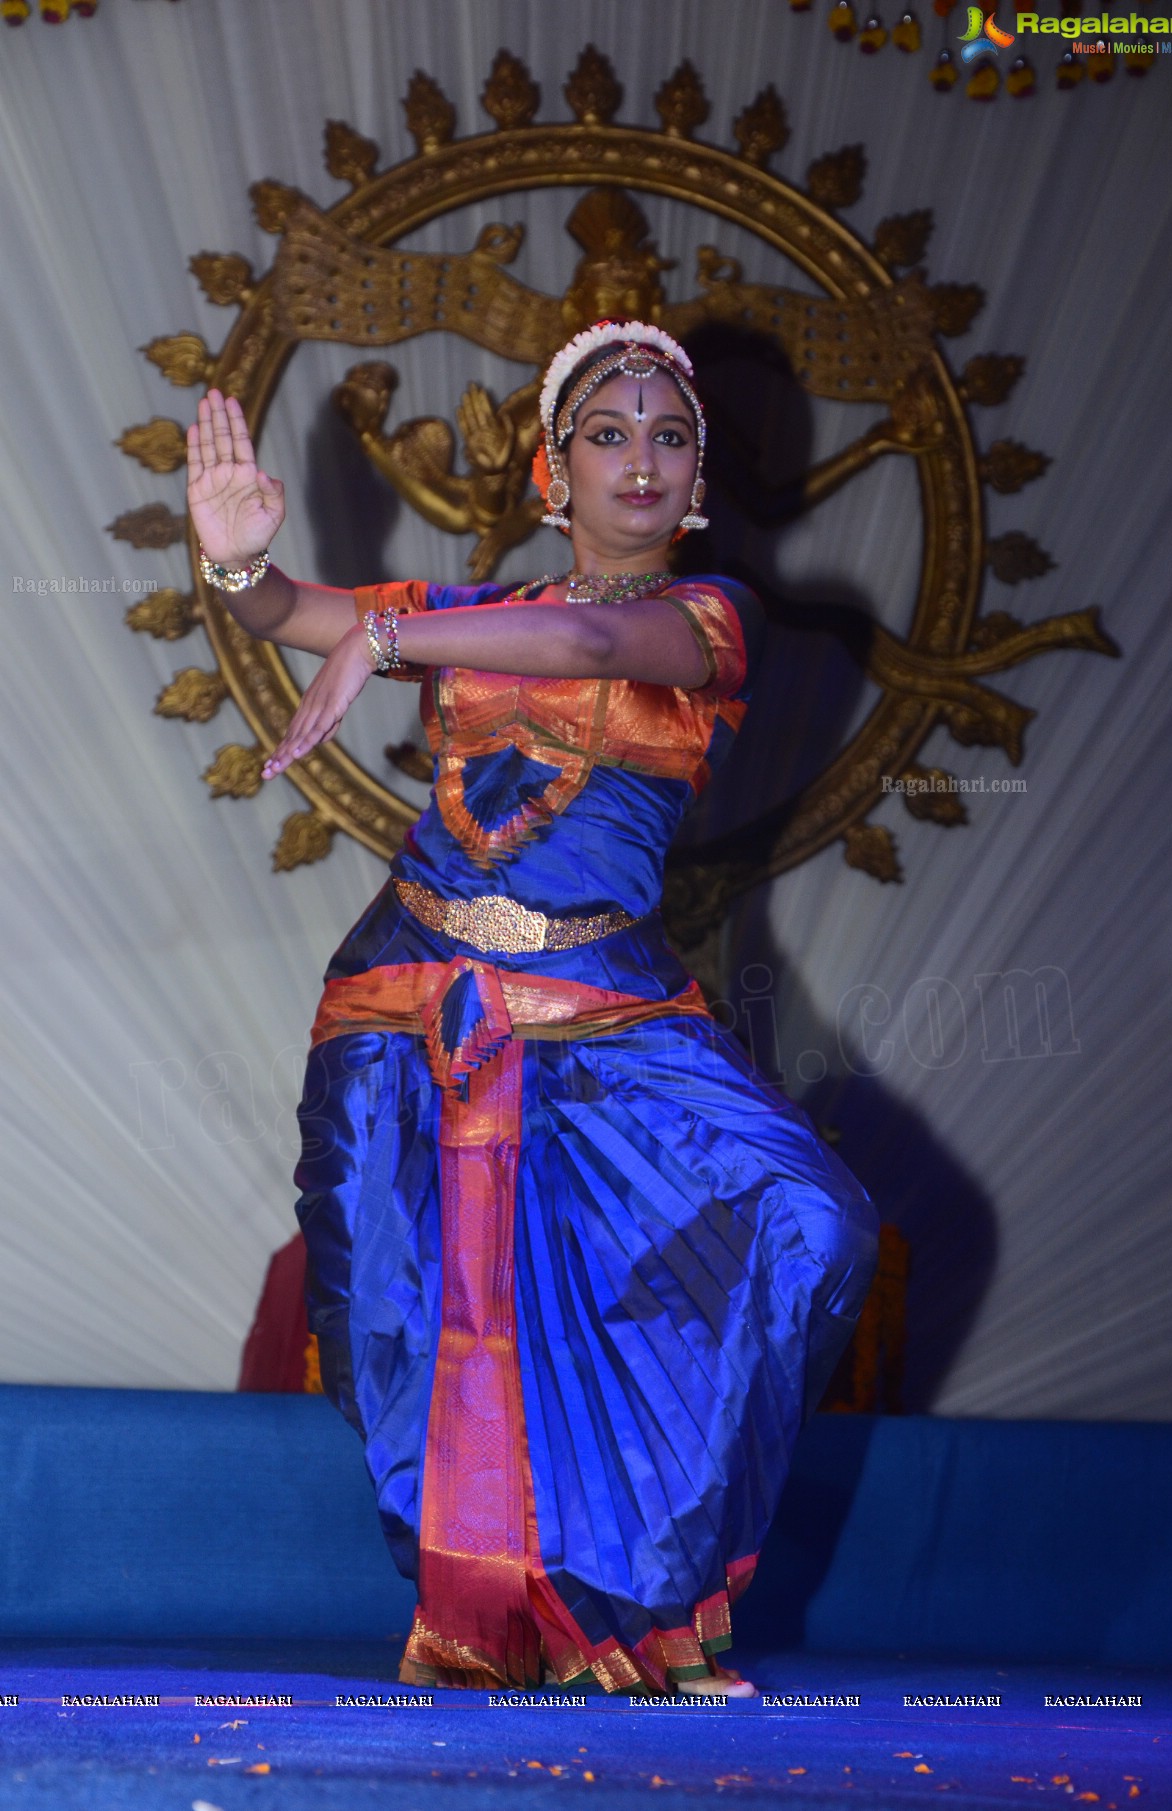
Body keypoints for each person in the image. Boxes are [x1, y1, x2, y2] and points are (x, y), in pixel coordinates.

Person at [185, 319, 879, 1699]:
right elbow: (282, 614)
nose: (642, 457)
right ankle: (489, 1622)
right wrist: (237, 558)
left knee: (811, 1220)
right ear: (554, 474)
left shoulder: (706, 622)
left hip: (607, 1012)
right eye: (608, 434)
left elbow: (578, 633)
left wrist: (392, 632)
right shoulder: (453, 608)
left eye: (670, 437)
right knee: (410, 1321)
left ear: (696, 487)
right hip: (409, 1009)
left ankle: (648, 1603)